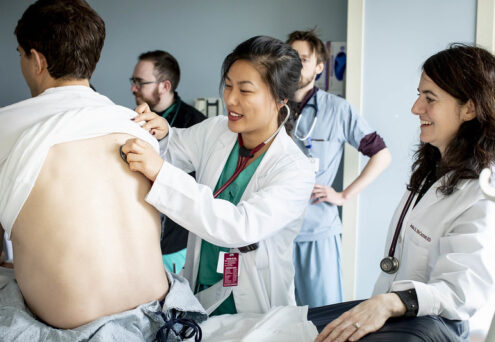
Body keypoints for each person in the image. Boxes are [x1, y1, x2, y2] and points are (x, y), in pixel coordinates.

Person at [0, 1, 205, 340]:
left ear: (36, 60)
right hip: (161, 320)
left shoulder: (7, 129)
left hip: (77, 332)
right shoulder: (138, 127)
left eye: (21, 54)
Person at [311, 44, 495, 342]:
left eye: (429, 98)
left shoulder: (488, 189)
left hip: (439, 327)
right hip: (401, 316)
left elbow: (463, 290)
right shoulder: (436, 164)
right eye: (419, 95)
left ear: (469, 108)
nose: (416, 108)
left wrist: (393, 301)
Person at [121, 35, 316, 316]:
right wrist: (160, 132)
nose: (230, 99)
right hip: (201, 290)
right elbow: (174, 146)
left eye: (245, 91)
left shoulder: (294, 170)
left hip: (254, 307)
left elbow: (239, 227)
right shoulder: (216, 130)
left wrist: (161, 173)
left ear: (279, 98)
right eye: (227, 86)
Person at [286, 29, 392, 308]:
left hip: (316, 231)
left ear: (319, 67)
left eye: (304, 59)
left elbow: (381, 154)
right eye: (290, 57)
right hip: (273, 230)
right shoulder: (270, 106)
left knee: (324, 316)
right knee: (275, 319)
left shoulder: (338, 110)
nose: (295, 65)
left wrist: (344, 196)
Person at [131, 50, 206, 274]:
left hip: (175, 243)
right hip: (140, 239)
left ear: (164, 86)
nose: (133, 88)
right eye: (133, 81)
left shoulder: (194, 125)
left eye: (139, 82)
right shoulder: (134, 119)